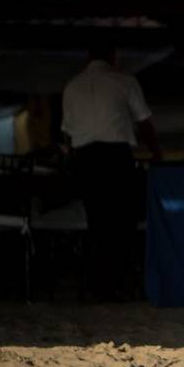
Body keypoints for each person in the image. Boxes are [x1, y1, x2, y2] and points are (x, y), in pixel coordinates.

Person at [62, 43, 161, 300]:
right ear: (113, 56)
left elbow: (67, 132)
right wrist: (157, 153)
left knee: (97, 221)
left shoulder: (72, 86)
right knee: (121, 220)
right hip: (115, 158)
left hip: (86, 159)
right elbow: (144, 122)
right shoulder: (124, 81)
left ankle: (99, 285)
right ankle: (121, 283)